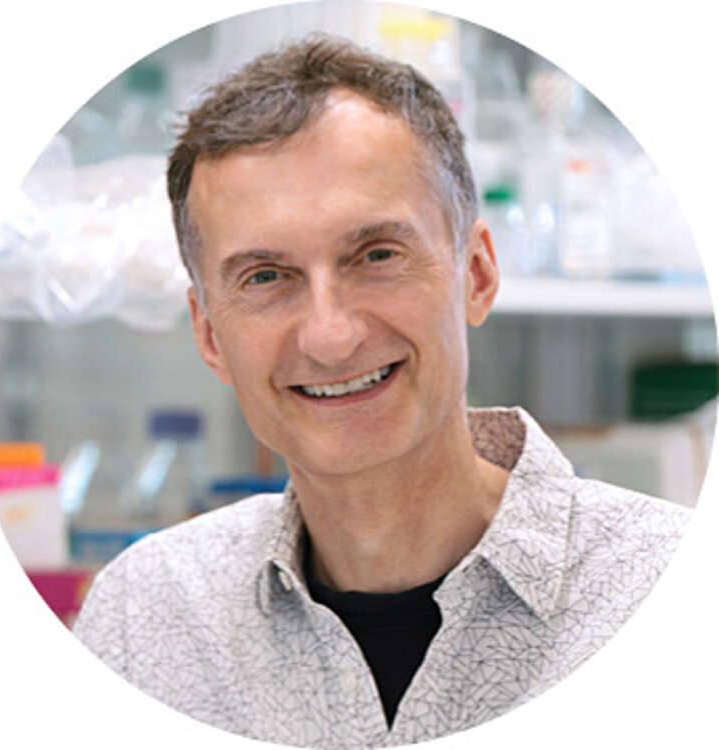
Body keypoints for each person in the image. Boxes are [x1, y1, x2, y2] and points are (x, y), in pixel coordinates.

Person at [73, 34, 690, 748]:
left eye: (376, 256)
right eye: (266, 277)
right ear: (209, 335)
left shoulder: (667, 592)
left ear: (477, 275)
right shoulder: (144, 621)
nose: (331, 336)